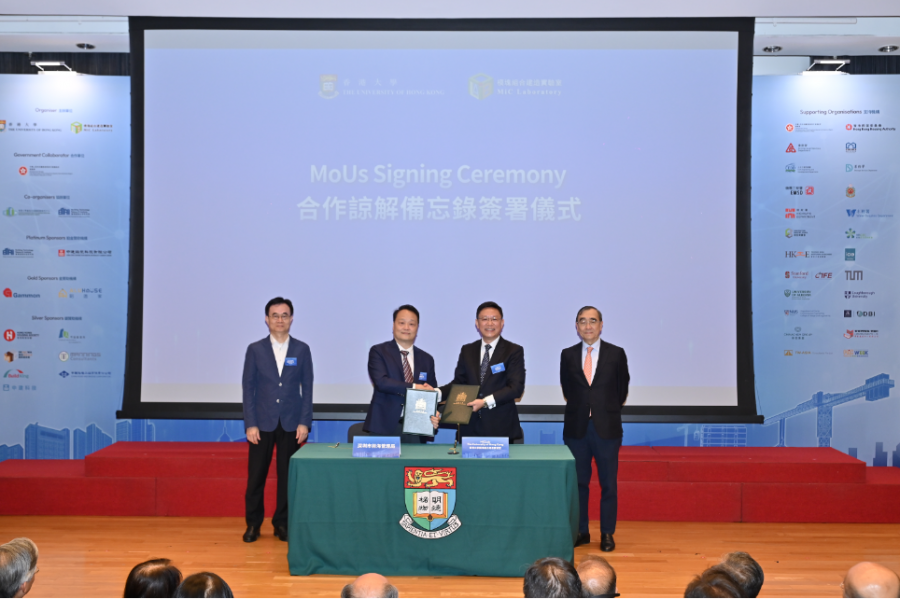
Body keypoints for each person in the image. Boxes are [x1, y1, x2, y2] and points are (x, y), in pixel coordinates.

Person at [241, 296, 314, 543]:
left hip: (291, 423)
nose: (280, 320)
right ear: (267, 319)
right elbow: (248, 388)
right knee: (256, 477)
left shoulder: (302, 349)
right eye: (275, 315)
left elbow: (308, 388)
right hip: (261, 424)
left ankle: (281, 523)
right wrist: (250, 423)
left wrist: (304, 422)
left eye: (284, 315)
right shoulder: (255, 349)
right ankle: (253, 524)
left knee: (286, 477)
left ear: (291, 319)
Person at [560, 306, 629, 553]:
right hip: (577, 429)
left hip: (606, 429)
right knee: (579, 483)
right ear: (576, 326)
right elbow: (568, 389)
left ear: (601, 325)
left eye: (592, 321)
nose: (587, 326)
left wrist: (601, 409)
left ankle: (607, 533)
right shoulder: (567, 354)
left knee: (608, 484)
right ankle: (581, 531)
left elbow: (621, 390)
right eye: (582, 321)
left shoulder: (616, 353)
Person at [437, 301, 525, 442]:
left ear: (502, 323)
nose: (489, 323)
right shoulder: (467, 350)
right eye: (484, 319)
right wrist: (436, 393)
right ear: (477, 323)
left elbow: (516, 388)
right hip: (469, 427)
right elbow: (459, 383)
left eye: (494, 319)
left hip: (500, 427)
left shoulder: (513, 351)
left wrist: (484, 402)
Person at [363, 305, 438, 443]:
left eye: (411, 324)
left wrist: (435, 413)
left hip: (417, 428)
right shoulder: (379, 351)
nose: (406, 327)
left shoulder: (427, 359)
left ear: (417, 328)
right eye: (402, 323)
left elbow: (431, 391)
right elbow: (382, 382)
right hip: (384, 426)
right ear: (393, 325)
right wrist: (415, 387)